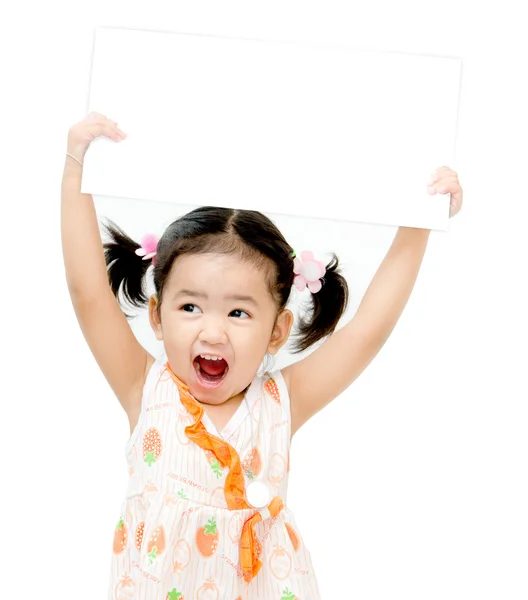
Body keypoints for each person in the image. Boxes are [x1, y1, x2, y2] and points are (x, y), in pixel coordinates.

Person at [62, 112, 463, 599]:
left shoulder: (281, 401)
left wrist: (418, 222)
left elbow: (366, 332)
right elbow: (88, 293)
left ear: (277, 331)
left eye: (238, 313)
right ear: (157, 317)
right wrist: (74, 169)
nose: (213, 330)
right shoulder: (144, 388)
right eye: (190, 306)